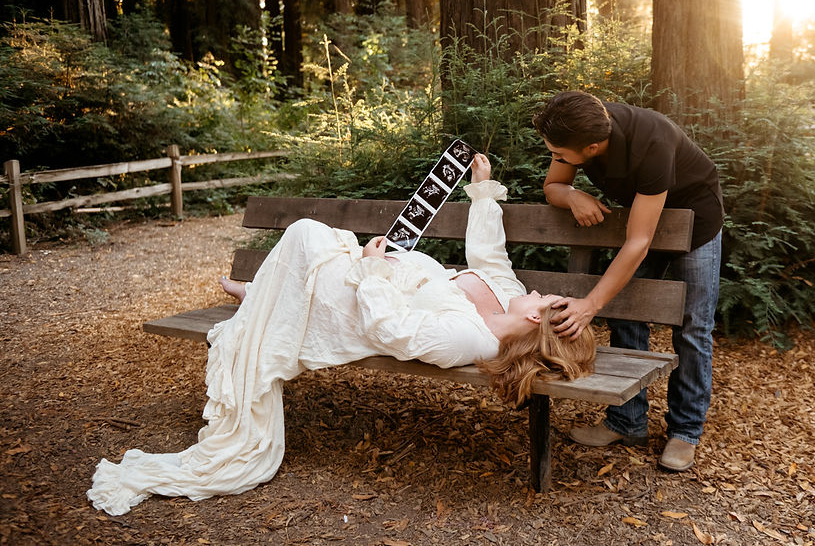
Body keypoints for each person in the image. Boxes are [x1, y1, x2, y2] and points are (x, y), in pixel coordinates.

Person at [87, 153, 595, 516]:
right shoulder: (507, 292)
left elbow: (388, 329)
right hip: (367, 285)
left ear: (536, 322)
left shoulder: (472, 340)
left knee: (308, 234)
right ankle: (262, 296)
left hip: (356, 311)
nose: (543, 291)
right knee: (311, 236)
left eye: (550, 301)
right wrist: (483, 188)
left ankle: (259, 297)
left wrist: (374, 269)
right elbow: (490, 253)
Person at [532, 91, 723, 472]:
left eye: (562, 156)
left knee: (692, 327)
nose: (556, 160)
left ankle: (685, 432)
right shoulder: (579, 127)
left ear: (592, 147)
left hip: (694, 222)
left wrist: (590, 304)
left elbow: (638, 242)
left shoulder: (652, 141)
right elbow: (552, 185)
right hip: (644, 217)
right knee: (626, 314)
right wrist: (571, 194)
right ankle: (627, 422)